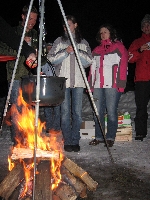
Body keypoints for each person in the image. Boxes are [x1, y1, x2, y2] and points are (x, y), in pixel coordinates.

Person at [47, 15, 92, 152]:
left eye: (69, 25)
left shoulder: (83, 42)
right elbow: (51, 59)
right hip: (63, 82)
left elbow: (89, 61)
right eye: (64, 25)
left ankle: (75, 139)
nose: (66, 28)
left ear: (75, 25)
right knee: (65, 113)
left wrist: (77, 51)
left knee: (77, 113)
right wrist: (65, 51)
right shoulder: (59, 41)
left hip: (78, 82)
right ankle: (67, 140)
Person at [0, 5, 38, 144]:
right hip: (15, 76)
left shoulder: (35, 35)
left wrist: (39, 52)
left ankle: (29, 138)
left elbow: (42, 57)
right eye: (30, 18)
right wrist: (22, 48)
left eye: (35, 19)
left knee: (30, 108)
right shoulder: (13, 32)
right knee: (17, 109)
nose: (32, 21)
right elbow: (3, 50)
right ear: (23, 16)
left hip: (31, 77)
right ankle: (18, 140)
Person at [88, 24, 128, 147]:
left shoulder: (119, 47)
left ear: (111, 33)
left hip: (113, 85)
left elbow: (123, 67)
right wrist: (90, 86)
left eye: (105, 32)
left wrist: (121, 84)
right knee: (97, 112)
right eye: (101, 32)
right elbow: (92, 70)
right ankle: (99, 137)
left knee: (111, 111)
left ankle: (110, 137)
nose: (103, 34)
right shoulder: (96, 50)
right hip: (98, 85)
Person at [128, 14, 150, 141]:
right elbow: (130, 58)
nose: (146, 27)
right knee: (141, 107)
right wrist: (140, 50)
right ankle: (140, 132)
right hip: (142, 79)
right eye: (144, 25)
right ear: (141, 28)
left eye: (148, 25)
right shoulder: (137, 42)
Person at [41, 42, 61, 132]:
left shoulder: (58, 58)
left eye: (51, 47)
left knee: (57, 107)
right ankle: (49, 127)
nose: (49, 49)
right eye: (48, 47)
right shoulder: (43, 60)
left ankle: (56, 127)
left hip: (56, 84)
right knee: (47, 107)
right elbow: (41, 70)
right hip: (46, 85)